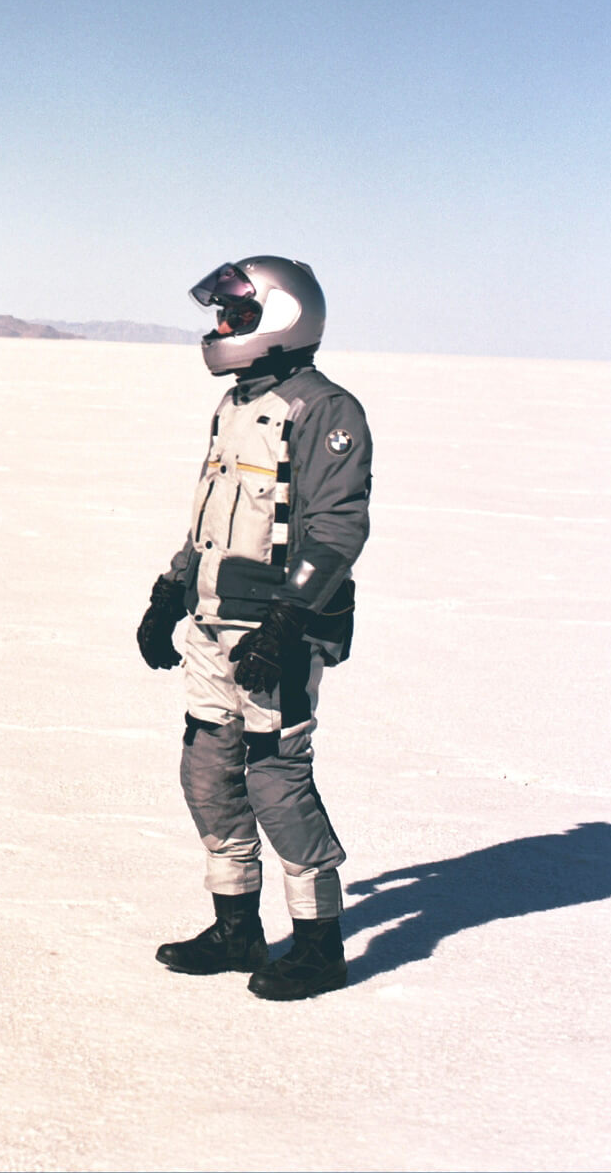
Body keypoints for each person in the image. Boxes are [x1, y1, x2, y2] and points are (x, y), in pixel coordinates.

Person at [137, 257, 371, 1001]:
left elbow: (335, 531)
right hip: (211, 624)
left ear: (280, 315)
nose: (220, 326)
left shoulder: (324, 409)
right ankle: (237, 929)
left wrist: (288, 623)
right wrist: (172, 588)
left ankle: (317, 945)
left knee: (275, 776)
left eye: (235, 313)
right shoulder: (238, 403)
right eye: (221, 313)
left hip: (277, 628)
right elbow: (211, 513)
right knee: (206, 771)